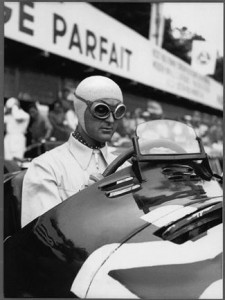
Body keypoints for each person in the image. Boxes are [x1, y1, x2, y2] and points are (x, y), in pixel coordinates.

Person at [21, 75, 128, 227]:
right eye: (101, 110)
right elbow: (41, 238)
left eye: (118, 111)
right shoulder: (46, 168)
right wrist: (84, 201)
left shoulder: (124, 167)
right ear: (81, 110)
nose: (111, 120)